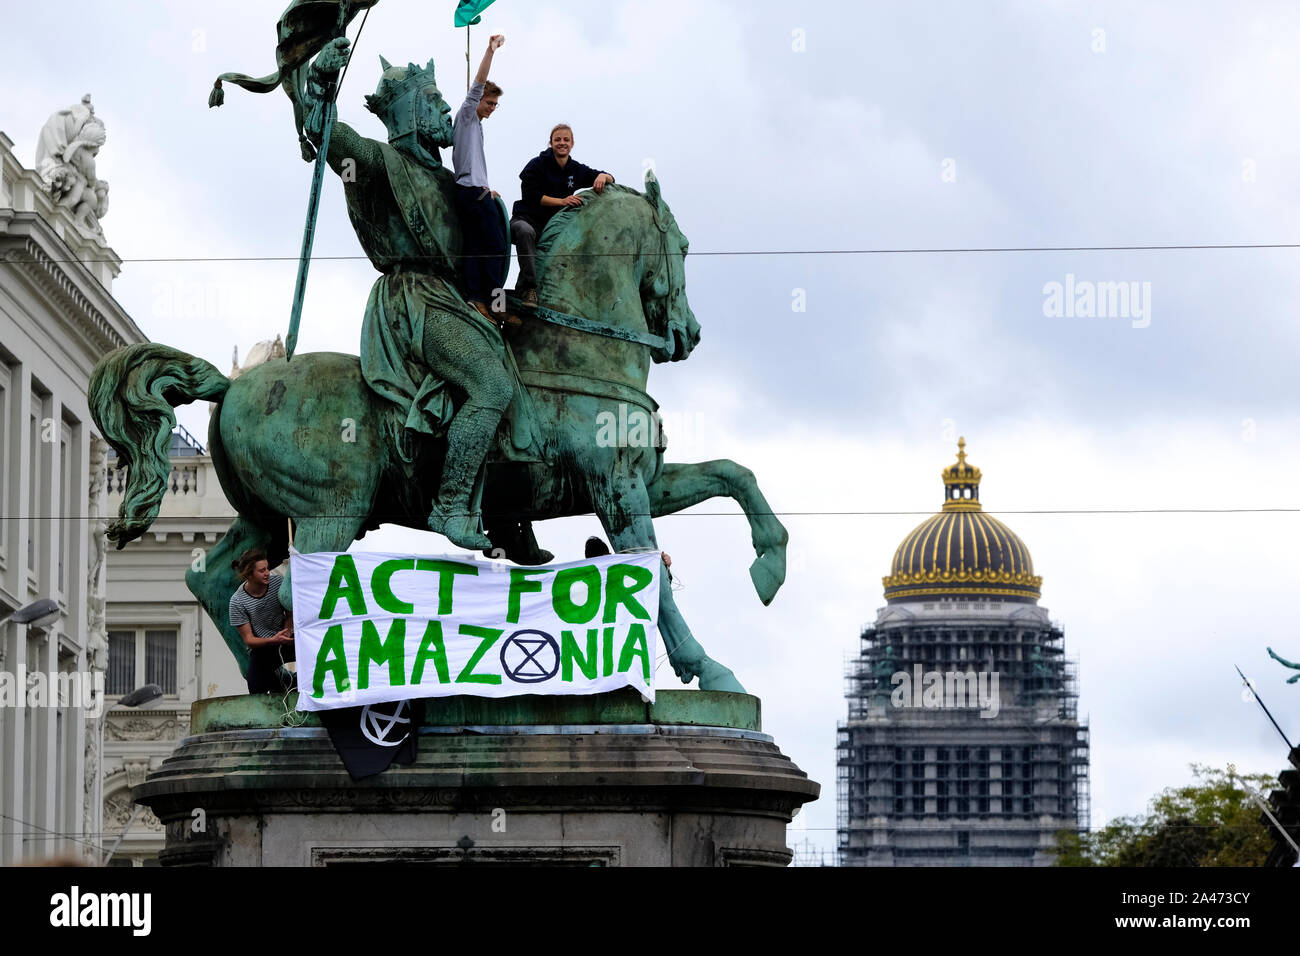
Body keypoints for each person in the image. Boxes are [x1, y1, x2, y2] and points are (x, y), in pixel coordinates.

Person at [302, 37, 522, 550]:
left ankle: (513, 519)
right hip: (413, 301)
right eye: (436, 101)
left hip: (452, 298)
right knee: (491, 387)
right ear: (414, 110)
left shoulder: (450, 179)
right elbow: (337, 142)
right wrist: (318, 87)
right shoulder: (381, 163)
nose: (447, 108)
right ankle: (449, 507)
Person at [510, 124, 613, 305]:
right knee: (525, 232)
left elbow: (607, 177)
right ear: (551, 143)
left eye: (566, 139)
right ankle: (528, 289)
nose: (562, 143)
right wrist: (562, 201)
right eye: (557, 139)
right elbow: (530, 195)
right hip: (527, 219)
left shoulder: (575, 169)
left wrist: (604, 176)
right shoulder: (537, 164)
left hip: (553, 227)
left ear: (572, 144)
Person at [453, 34, 509, 320]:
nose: (491, 108)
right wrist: (490, 50)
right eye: (489, 102)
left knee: (475, 246)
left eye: (494, 105)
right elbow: (478, 82)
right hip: (471, 191)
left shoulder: (477, 126)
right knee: (497, 244)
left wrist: (487, 188)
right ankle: (497, 303)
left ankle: (477, 299)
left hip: (472, 190)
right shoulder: (466, 116)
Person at [228, 549, 295, 694]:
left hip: (288, 637)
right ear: (249, 574)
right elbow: (249, 640)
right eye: (262, 570)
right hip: (264, 647)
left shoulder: (278, 583)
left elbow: (291, 613)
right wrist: (274, 640)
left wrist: (288, 631)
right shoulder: (237, 601)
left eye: (267, 568)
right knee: (255, 683)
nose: (267, 573)